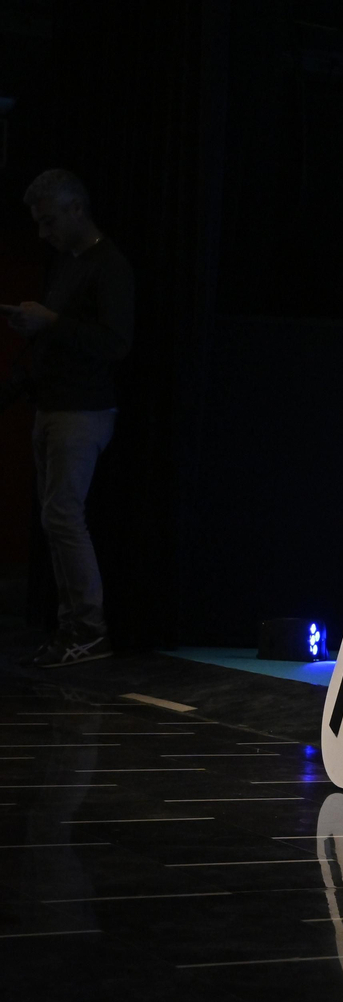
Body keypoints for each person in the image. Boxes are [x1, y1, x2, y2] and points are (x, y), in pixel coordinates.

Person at [4, 169, 134, 667]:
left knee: (63, 516)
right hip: (54, 406)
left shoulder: (109, 265)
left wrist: (53, 321)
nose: (44, 234)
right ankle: (74, 626)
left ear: (77, 209)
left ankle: (88, 628)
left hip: (83, 411)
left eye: (50, 221)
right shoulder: (68, 263)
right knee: (56, 519)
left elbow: (116, 343)